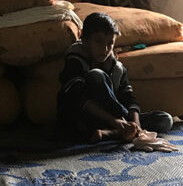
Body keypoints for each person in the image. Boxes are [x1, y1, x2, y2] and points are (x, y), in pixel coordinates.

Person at [56, 12, 173, 143]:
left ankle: (113, 133)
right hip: (84, 117)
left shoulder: (117, 67)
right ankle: (120, 130)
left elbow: (129, 98)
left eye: (110, 43)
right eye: (98, 41)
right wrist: (117, 120)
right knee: (96, 75)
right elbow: (77, 98)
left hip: (113, 121)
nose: (105, 49)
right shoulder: (75, 59)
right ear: (85, 40)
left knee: (165, 119)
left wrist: (136, 123)